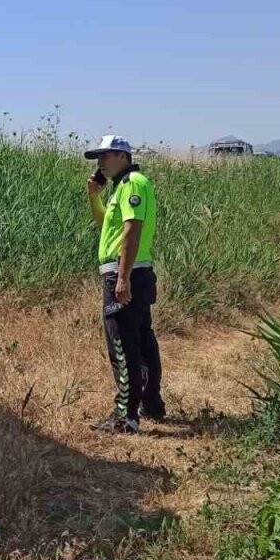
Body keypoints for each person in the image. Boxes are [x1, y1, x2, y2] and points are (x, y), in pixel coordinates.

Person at [84, 135, 165, 434]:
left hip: (126, 273)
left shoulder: (133, 183)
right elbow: (107, 223)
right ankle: (151, 403)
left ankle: (125, 417)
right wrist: (94, 195)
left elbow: (132, 230)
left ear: (122, 155)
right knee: (143, 341)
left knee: (122, 345)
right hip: (132, 272)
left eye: (104, 157)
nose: (100, 163)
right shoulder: (121, 187)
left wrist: (122, 276)